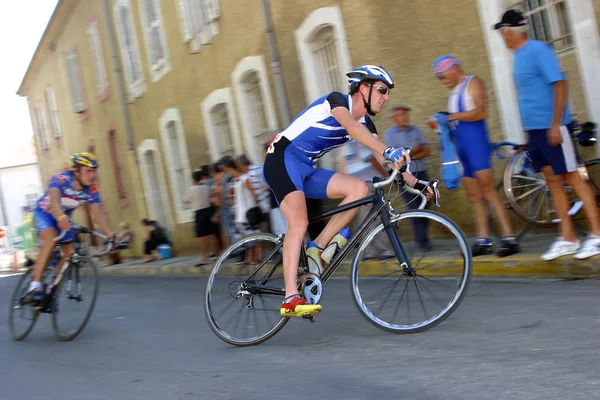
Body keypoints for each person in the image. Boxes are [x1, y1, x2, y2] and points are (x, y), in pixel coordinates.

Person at [263, 65, 416, 318]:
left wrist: (413, 180)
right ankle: (290, 296)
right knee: (298, 222)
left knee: (358, 188)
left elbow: (380, 152)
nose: (386, 97)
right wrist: (390, 151)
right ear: (363, 88)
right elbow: (352, 127)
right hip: (281, 159)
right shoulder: (337, 101)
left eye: (387, 92)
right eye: (381, 90)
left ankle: (318, 249)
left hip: (306, 167)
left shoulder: (367, 122)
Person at [494, 9, 600, 260]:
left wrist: (555, 124)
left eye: (503, 32)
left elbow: (560, 83)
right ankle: (568, 238)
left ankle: (596, 235)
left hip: (553, 128)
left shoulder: (539, 50)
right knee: (553, 182)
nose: (503, 37)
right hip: (536, 132)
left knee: (573, 178)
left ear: (510, 32)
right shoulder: (519, 56)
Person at [432, 55, 520, 257]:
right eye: (439, 79)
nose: (442, 82)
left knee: (488, 190)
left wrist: (452, 116)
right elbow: (457, 118)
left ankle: (509, 238)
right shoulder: (454, 93)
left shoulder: (474, 82)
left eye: (443, 77)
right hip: (462, 148)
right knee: (474, 196)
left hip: (476, 145)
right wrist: (443, 119)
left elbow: (481, 112)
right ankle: (484, 240)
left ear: (454, 69)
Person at [27, 152, 114, 302]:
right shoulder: (60, 179)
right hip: (45, 213)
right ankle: (34, 286)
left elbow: (97, 213)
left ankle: (51, 289)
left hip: (64, 219)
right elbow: (54, 201)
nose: (92, 175)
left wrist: (109, 234)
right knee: (50, 239)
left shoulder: (92, 190)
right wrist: (60, 217)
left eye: (94, 171)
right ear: (76, 171)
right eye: (88, 171)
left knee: (69, 252)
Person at [384, 104, 432, 251]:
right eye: (399, 115)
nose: (403, 117)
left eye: (405, 114)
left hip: (421, 172)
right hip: (405, 175)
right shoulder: (390, 134)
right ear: (394, 118)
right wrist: (414, 151)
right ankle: (422, 241)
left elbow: (426, 151)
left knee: (427, 204)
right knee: (414, 206)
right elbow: (397, 157)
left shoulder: (415, 130)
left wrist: (408, 154)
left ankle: (423, 237)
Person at [337, 139, 395, 260]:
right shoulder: (346, 143)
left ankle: (386, 249)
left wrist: (386, 174)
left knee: (373, 218)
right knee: (366, 219)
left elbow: (371, 158)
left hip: (367, 183)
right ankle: (373, 250)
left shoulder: (355, 140)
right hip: (359, 185)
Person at [184, 169, 220, 266]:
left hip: (199, 213)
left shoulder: (191, 189)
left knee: (203, 237)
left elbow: (187, 200)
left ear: (194, 179)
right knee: (213, 234)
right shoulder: (207, 187)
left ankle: (205, 258)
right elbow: (210, 197)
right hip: (209, 211)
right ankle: (218, 254)